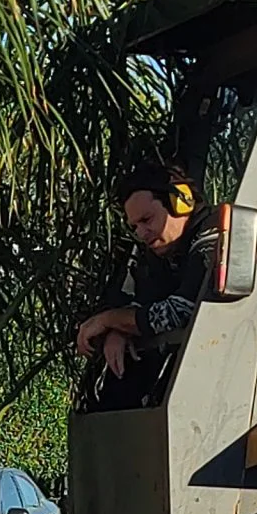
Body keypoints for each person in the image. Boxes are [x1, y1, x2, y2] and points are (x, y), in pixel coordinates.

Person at [72, 162, 215, 409]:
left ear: (181, 202)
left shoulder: (213, 235)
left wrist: (108, 320)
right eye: (134, 226)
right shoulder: (155, 254)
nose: (141, 232)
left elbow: (178, 312)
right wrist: (119, 330)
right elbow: (138, 302)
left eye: (147, 219)